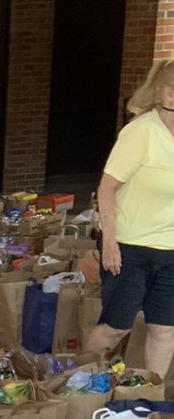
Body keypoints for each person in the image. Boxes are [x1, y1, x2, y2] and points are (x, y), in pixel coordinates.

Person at [84, 59, 174, 380]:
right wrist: (109, 242)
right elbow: (106, 188)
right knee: (115, 328)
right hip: (129, 247)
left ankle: (148, 398)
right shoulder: (140, 133)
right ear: (168, 97)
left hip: (170, 251)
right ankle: (78, 377)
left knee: (164, 330)